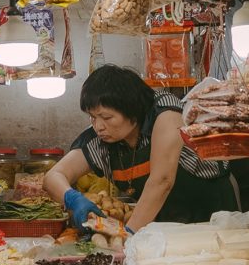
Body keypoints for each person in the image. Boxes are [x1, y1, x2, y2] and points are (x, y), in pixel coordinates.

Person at [44, 65, 237, 230]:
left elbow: (162, 181)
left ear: (132, 112)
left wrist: (128, 236)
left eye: (107, 117)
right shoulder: (100, 140)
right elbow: (53, 177)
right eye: (93, 117)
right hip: (162, 223)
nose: (99, 126)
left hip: (212, 217)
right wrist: (72, 198)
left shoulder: (165, 114)